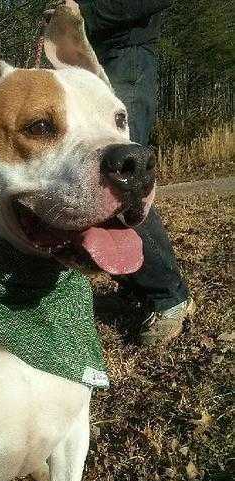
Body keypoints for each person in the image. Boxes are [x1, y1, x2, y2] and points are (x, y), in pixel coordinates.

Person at [62, 0, 195, 345]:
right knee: (93, 173)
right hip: (92, 57)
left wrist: (84, 14)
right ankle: (136, 283)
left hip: (128, 52)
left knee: (121, 175)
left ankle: (169, 296)